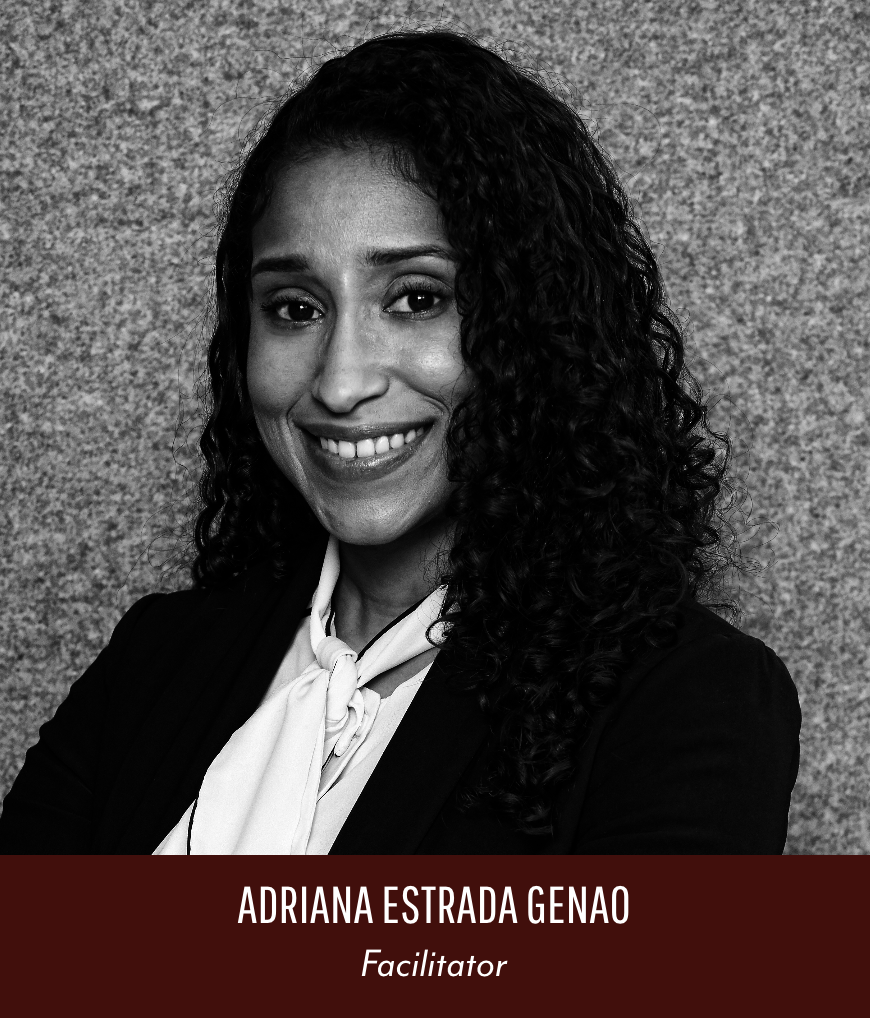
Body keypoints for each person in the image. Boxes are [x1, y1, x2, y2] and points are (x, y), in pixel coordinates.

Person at [0, 29, 801, 854]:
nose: (341, 382)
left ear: (534, 328)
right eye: (295, 309)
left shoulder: (689, 699)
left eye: (417, 298)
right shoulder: (158, 660)